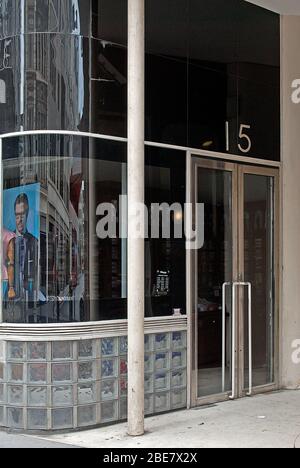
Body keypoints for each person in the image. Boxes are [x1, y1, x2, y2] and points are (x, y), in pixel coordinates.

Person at [13, 193, 38, 300]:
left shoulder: (34, 241)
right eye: (17, 215)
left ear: (27, 215)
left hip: (29, 295)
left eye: (22, 215)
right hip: (11, 294)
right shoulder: (8, 240)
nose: (19, 220)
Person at [2, 227, 16, 299]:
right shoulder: (7, 234)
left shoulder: (7, 234)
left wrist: (11, 287)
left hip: (2, 276)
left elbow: (11, 262)